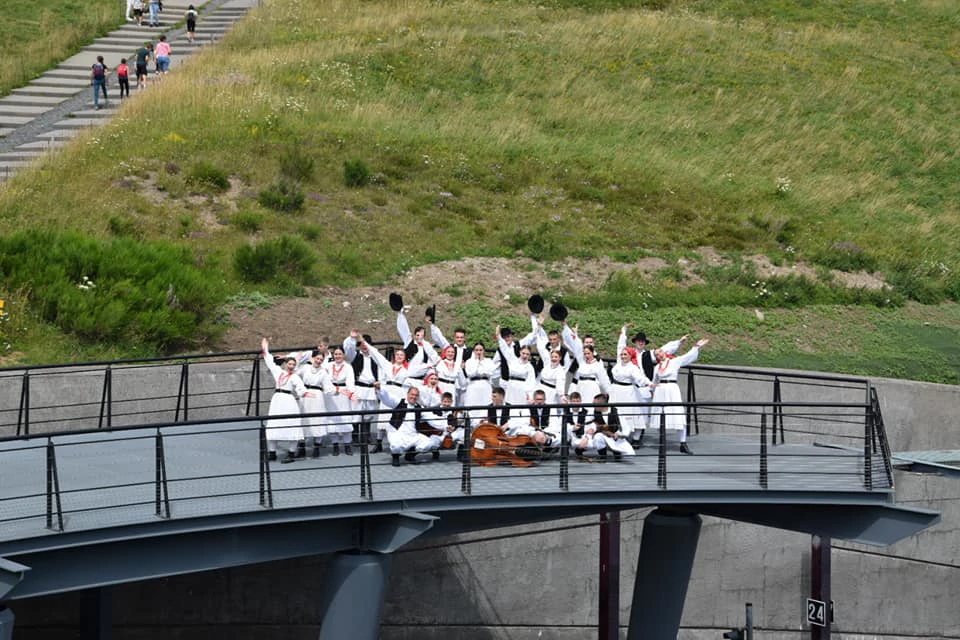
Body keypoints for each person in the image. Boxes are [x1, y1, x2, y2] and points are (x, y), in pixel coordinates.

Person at [652, 338, 710, 455]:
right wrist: (652, 391)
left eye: (660, 352)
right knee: (660, 416)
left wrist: (696, 346)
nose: (660, 355)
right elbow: (654, 380)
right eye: (657, 354)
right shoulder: (657, 368)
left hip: (672, 389)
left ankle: (683, 443)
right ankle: (662, 441)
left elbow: (687, 357)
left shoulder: (674, 361)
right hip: (660, 391)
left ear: (664, 352)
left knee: (678, 415)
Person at [261, 338, 306, 464]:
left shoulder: (296, 377)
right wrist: (265, 347)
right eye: (289, 364)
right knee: (274, 424)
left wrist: (306, 393)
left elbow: (300, 389)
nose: (291, 366)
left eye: (293, 365)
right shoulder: (278, 372)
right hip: (277, 400)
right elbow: (269, 361)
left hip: (289, 401)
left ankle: (291, 453)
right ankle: (272, 453)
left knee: (291, 425)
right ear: (285, 364)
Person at [377, 384, 437, 466]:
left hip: (413, 435)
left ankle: (410, 455)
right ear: (407, 394)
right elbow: (388, 398)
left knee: (428, 443)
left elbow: (432, 418)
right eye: (412, 394)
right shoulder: (399, 402)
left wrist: (446, 425)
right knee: (396, 446)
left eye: (416, 395)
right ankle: (396, 457)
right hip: (397, 433)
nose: (414, 397)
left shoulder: (419, 408)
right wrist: (380, 389)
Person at [343, 330, 381, 453]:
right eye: (362, 345)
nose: (364, 347)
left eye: (366, 345)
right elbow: (347, 349)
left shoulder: (376, 358)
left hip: (371, 389)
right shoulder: (355, 355)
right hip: (359, 387)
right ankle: (355, 436)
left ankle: (366, 435)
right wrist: (352, 338)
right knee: (356, 413)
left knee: (369, 414)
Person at [296, 349, 333, 458]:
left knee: (317, 420)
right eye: (317, 358)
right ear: (312, 358)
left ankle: (317, 446)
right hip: (305, 396)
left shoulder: (323, 372)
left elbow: (328, 387)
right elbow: (295, 376)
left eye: (321, 359)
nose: (319, 361)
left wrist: (337, 391)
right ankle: (301, 447)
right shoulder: (305, 368)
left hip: (317, 397)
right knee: (303, 419)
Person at [323, 346, 356, 455]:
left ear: (343, 355)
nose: (337, 356)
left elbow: (350, 381)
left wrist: (351, 392)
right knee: (332, 418)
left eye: (340, 354)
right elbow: (323, 378)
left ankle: (347, 444)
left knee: (345, 417)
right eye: (336, 354)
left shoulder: (348, 367)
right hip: (331, 393)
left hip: (343, 393)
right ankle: (335, 445)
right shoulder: (327, 366)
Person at [495, 326, 536, 408]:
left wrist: (530, 395)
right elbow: (505, 349)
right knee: (508, 404)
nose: (525, 356)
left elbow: (531, 382)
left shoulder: (529, 367)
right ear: (520, 352)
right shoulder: (513, 360)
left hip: (521, 388)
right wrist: (498, 336)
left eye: (527, 354)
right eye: (523, 353)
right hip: (510, 385)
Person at [462, 342, 497, 425]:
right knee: (473, 406)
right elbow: (470, 373)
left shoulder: (489, 361)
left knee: (485, 406)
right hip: (473, 385)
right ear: (474, 351)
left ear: (484, 351)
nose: (479, 352)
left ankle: (484, 423)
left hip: (485, 385)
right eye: (477, 350)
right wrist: (477, 362)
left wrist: (482, 362)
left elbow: (490, 372)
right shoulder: (469, 362)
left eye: (480, 350)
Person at [592, 393, 635, 460]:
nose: (593, 406)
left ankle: (616, 452)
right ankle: (603, 456)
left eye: (595, 404)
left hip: (616, 438)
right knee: (598, 437)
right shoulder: (593, 412)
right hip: (604, 437)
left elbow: (626, 427)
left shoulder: (616, 411)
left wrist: (619, 434)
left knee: (630, 454)